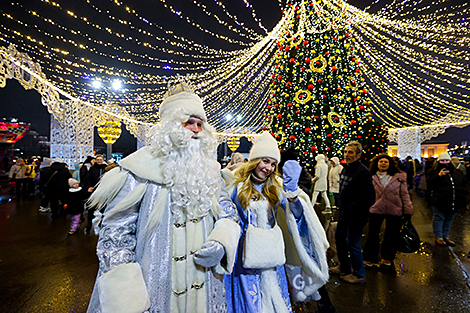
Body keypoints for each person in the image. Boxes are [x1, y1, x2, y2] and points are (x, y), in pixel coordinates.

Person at [86, 82, 241, 313]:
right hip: (155, 291)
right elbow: (116, 237)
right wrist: (128, 299)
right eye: (190, 122)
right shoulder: (139, 169)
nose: (197, 130)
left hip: (204, 288)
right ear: (170, 126)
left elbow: (228, 212)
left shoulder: (210, 170)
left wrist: (222, 242)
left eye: (200, 124)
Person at [223, 132, 332, 313]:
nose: (269, 168)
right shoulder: (236, 185)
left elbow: (296, 215)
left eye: (273, 164)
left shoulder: (276, 185)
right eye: (265, 161)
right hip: (243, 257)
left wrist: (292, 195)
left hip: (271, 257)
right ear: (254, 160)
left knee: (274, 300)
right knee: (249, 303)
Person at [330, 141, 375, 284]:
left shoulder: (362, 172)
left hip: (356, 216)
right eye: (345, 152)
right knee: (339, 240)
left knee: (353, 244)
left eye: (350, 152)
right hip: (344, 214)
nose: (346, 155)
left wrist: (351, 208)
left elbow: (369, 197)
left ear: (358, 155)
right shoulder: (345, 168)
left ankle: (359, 274)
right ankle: (344, 267)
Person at [363, 154, 413, 267]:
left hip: (395, 208)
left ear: (390, 164)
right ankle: (369, 258)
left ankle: (387, 258)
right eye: (381, 161)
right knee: (372, 234)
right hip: (376, 208)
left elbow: (405, 194)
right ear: (377, 163)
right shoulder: (371, 176)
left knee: (392, 235)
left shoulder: (399, 176)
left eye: (386, 161)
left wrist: (408, 210)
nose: (383, 163)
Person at [427, 152, 468, 246]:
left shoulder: (456, 172)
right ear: (438, 161)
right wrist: (438, 176)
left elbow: (463, 183)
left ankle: (445, 236)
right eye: (442, 160)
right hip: (440, 200)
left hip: (454, 200)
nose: (445, 162)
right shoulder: (433, 171)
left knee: (449, 218)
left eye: (446, 160)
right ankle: (439, 237)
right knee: (439, 217)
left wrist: (463, 195)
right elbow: (430, 184)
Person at [84, 154, 108, 234]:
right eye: (97, 159)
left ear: (103, 160)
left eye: (100, 159)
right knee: (91, 207)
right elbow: (88, 178)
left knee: (104, 208)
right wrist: (89, 186)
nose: (99, 161)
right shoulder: (92, 168)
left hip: (104, 190)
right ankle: (89, 223)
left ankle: (103, 222)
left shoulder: (106, 168)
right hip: (94, 190)